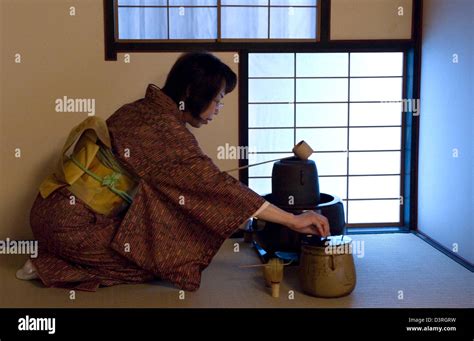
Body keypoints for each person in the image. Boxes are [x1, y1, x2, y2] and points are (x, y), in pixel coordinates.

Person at [17, 52, 330, 291]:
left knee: (159, 241)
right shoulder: (163, 128)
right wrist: (292, 219)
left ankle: (52, 257)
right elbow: (216, 187)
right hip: (72, 224)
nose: (218, 110)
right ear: (193, 91)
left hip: (53, 208)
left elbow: (191, 182)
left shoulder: (140, 109)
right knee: (155, 263)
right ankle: (46, 265)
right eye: (218, 100)